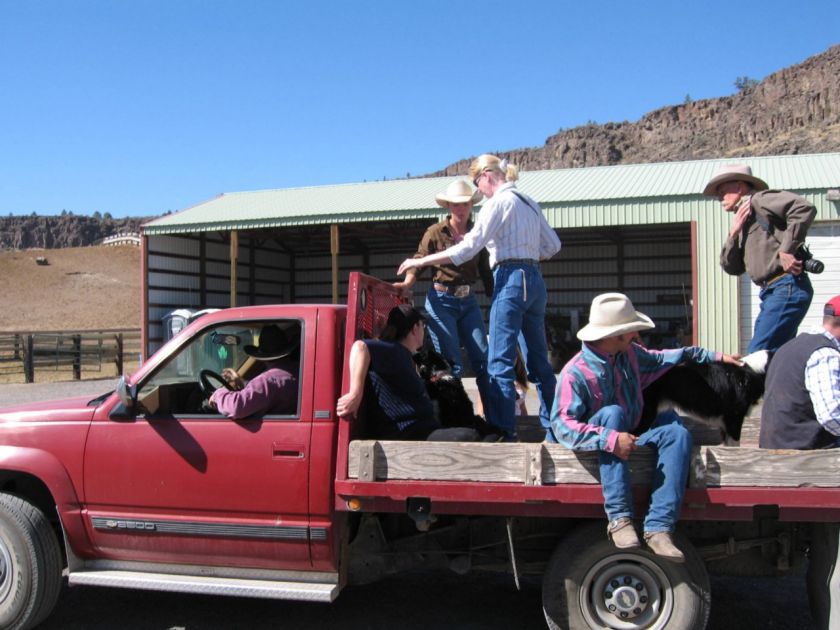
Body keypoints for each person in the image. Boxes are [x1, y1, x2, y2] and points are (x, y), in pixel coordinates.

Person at [550, 293, 742, 562]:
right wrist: (609, 439)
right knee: (613, 413)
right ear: (616, 335)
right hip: (599, 444)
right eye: (630, 330)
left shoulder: (629, 354)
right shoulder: (576, 373)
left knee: (676, 432)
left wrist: (715, 356)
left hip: (630, 434)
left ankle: (660, 528)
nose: (635, 334)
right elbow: (561, 426)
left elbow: (668, 358)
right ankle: (619, 519)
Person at [397, 154, 561, 441]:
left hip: (510, 278)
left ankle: (503, 431)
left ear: (486, 175)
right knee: (538, 359)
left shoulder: (497, 203)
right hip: (534, 280)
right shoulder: (528, 201)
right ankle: (554, 428)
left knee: (498, 360)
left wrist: (418, 263)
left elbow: (467, 250)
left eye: (477, 184)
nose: (478, 192)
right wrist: (528, 259)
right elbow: (553, 245)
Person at [759, 294, 840, 630]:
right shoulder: (825, 354)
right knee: (831, 559)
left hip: (785, 450)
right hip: (804, 459)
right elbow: (833, 416)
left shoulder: (797, 345)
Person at [393, 179, 493, 411]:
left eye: (465, 204)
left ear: (471, 205)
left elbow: (486, 268)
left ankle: (492, 415)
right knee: (452, 362)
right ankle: (451, 414)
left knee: (483, 359)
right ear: (448, 206)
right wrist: (408, 282)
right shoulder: (435, 233)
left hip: (468, 300)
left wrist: (494, 293)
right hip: (442, 301)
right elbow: (419, 260)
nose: (460, 208)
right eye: (455, 204)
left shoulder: (478, 232)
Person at [703, 164, 816, 353]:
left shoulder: (760, 200)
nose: (719, 198)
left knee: (757, 355)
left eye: (723, 191)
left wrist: (786, 250)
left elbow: (804, 208)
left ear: (739, 187)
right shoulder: (743, 220)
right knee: (776, 359)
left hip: (785, 286)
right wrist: (733, 233)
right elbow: (732, 267)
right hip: (773, 291)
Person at [336, 304, 479, 442]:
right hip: (409, 434)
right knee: (471, 436)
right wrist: (355, 393)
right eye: (423, 326)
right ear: (415, 328)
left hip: (420, 431)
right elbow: (361, 346)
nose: (424, 331)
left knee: (481, 433)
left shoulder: (404, 354)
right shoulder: (392, 350)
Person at [208, 324, 299, 418]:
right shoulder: (296, 370)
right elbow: (263, 393)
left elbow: (236, 407)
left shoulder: (267, 381)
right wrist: (241, 382)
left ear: (263, 356)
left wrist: (218, 395)